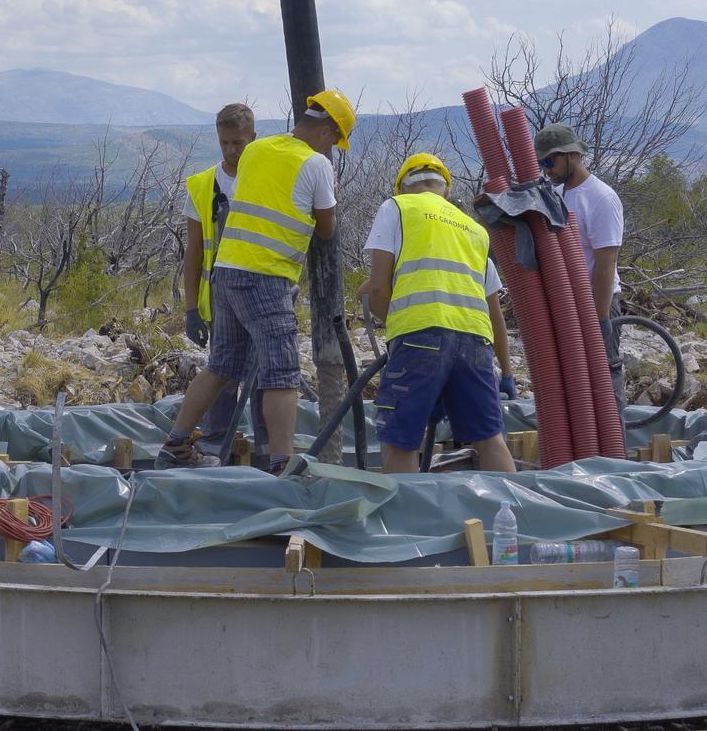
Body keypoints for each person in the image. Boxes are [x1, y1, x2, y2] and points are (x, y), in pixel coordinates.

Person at [155, 90, 354, 470]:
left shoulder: (258, 151)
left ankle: (175, 444)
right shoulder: (316, 165)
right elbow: (326, 230)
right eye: (334, 141)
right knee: (281, 374)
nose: (332, 149)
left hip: (226, 275)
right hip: (266, 276)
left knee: (221, 366)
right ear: (327, 131)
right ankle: (282, 464)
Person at [360, 153, 517, 474]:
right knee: (489, 439)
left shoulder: (398, 208)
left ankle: (406, 520)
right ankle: (511, 516)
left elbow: (377, 292)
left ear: (403, 187)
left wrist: (401, 330)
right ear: (445, 189)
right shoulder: (474, 230)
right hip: (475, 342)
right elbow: (494, 313)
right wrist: (508, 371)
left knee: (401, 440)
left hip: (419, 337)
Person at [182, 103, 267, 460]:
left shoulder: (266, 182)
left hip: (262, 290)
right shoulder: (204, 185)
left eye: (239, 143)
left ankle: (267, 444)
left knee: (266, 371)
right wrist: (190, 308)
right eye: (225, 143)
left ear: (253, 140)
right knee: (224, 368)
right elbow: (194, 251)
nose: (231, 150)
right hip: (220, 295)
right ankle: (217, 440)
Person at [534, 123, 626, 416]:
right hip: (569, 305)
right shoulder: (557, 196)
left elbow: (605, 263)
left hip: (598, 303)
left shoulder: (600, 198)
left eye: (549, 161)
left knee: (604, 379)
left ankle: (615, 452)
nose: (546, 169)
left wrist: (599, 319)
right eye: (541, 163)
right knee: (574, 384)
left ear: (571, 155)